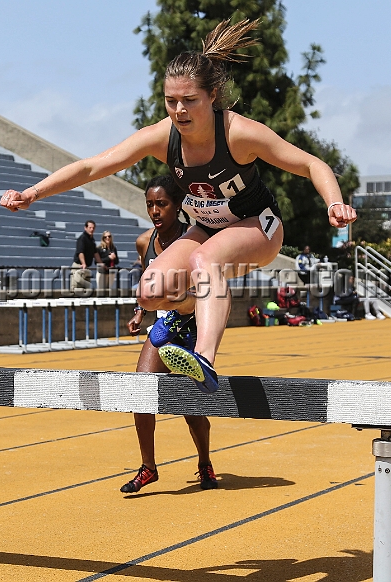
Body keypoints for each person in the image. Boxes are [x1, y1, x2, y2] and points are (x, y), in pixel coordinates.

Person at [1, 19, 356, 393]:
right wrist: (33, 193)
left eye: (190, 101)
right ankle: (189, 307)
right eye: (171, 101)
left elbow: (311, 164)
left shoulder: (239, 133)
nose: (179, 111)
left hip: (258, 226)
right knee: (150, 291)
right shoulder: (162, 136)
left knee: (206, 261)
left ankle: (204, 359)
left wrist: (335, 203)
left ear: (212, 96)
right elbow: (93, 166)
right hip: (205, 227)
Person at [122, 174, 216, 493]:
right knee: (140, 392)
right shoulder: (143, 242)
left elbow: (209, 290)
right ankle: (148, 466)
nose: (155, 211)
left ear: (177, 206)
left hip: (192, 325)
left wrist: (186, 300)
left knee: (191, 410)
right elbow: (147, 281)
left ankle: (205, 463)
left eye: (161, 204)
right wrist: (139, 312)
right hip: (162, 324)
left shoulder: (195, 241)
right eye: (150, 204)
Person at [70, 220, 102, 293]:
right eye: (90, 227)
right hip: (79, 266)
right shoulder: (82, 238)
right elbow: (80, 252)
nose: (92, 229)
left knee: (87, 291)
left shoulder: (92, 240)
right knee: (76, 289)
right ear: (85, 228)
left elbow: (95, 253)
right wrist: (83, 263)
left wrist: (101, 264)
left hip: (86, 268)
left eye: (93, 228)